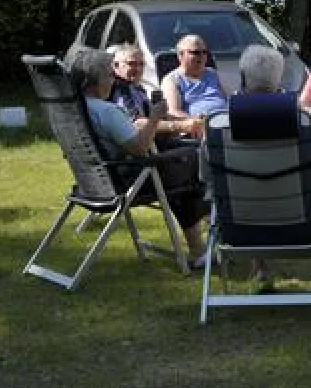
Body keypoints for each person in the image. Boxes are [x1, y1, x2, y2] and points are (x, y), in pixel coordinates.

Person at [232, 44, 311, 293]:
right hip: (301, 224)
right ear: (278, 79)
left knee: (248, 190)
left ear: (243, 78)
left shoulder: (220, 126)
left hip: (240, 226)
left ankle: (260, 271)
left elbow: (208, 176)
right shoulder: (302, 123)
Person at [71, 49, 209, 266]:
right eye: (109, 75)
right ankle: (202, 247)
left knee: (183, 172)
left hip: (93, 182)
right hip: (124, 182)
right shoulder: (106, 111)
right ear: (94, 81)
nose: (112, 80)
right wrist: (154, 119)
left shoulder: (75, 110)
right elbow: (139, 148)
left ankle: (201, 248)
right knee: (193, 167)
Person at [110, 44, 203, 144]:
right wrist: (181, 126)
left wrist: (191, 121)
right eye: (131, 64)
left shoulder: (136, 88)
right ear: (116, 66)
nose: (138, 69)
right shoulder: (120, 89)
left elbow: (156, 117)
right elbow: (137, 123)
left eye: (141, 64)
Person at [161, 34, 228, 119]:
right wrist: (196, 121)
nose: (202, 56)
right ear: (181, 55)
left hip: (226, 120)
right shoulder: (171, 80)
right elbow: (174, 112)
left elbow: (227, 100)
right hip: (199, 124)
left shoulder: (212, 73)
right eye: (196, 52)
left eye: (204, 52)